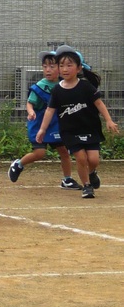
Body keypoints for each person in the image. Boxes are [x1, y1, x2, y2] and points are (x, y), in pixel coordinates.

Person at [36, 45, 119, 199]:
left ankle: (92, 172)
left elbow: (99, 104)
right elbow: (49, 110)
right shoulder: (57, 90)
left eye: (69, 65)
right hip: (70, 131)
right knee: (81, 158)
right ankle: (87, 186)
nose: (65, 69)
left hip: (90, 128)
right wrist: (42, 129)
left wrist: (108, 120)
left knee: (93, 160)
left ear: (79, 68)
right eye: (61, 66)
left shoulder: (86, 87)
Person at [8, 50, 79, 189]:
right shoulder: (40, 87)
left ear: (60, 68)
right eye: (45, 66)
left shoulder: (63, 85)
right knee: (39, 153)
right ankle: (18, 164)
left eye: (52, 66)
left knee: (64, 151)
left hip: (56, 124)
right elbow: (30, 102)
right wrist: (31, 112)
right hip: (39, 123)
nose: (48, 69)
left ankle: (67, 179)